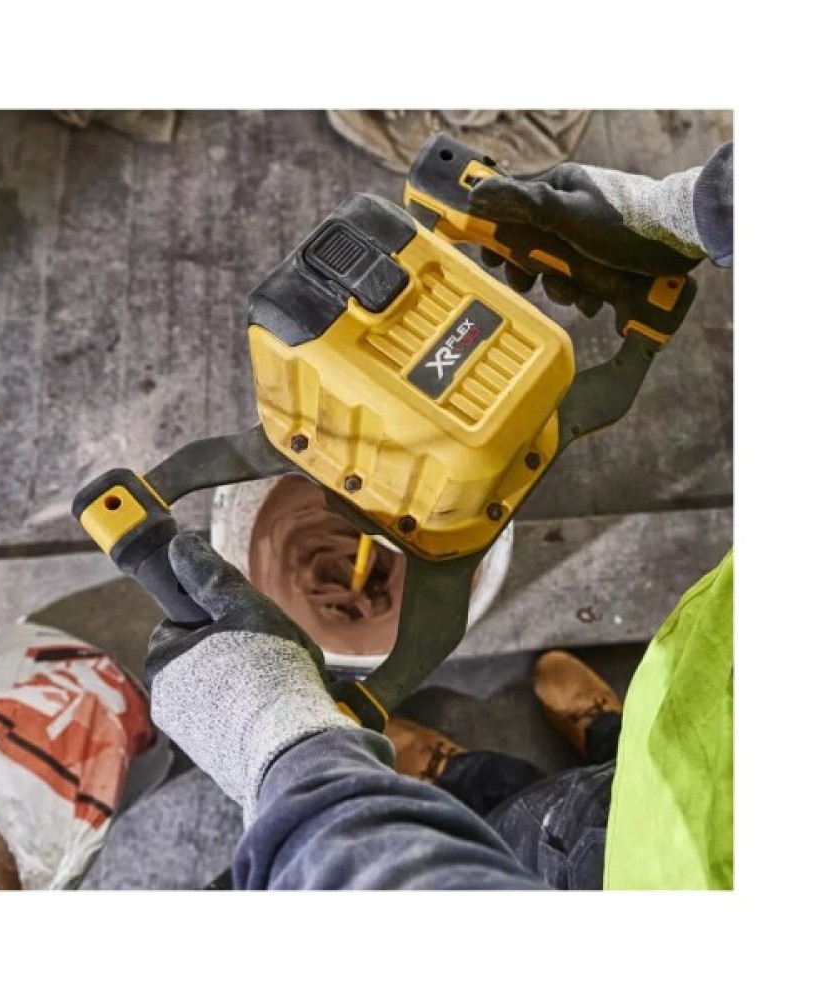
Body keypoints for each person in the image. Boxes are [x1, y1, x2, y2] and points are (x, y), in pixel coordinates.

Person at [143, 142, 734, 890]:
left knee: (537, 836)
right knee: (600, 782)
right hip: (710, 725)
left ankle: (434, 781)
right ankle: (604, 736)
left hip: (647, 871)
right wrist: (697, 210)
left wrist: (283, 745)